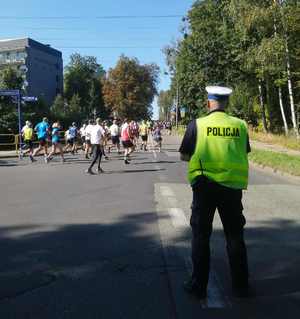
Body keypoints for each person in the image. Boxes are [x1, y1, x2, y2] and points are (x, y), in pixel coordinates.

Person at [179, 85, 251, 300]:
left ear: (208, 103)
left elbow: (184, 155)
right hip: (232, 188)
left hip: (205, 187)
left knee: (201, 236)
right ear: (227, 103)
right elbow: (243, 151)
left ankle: (198, 285)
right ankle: (241, 286)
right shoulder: (240, 125)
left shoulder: (198, 124)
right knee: (235, 236)